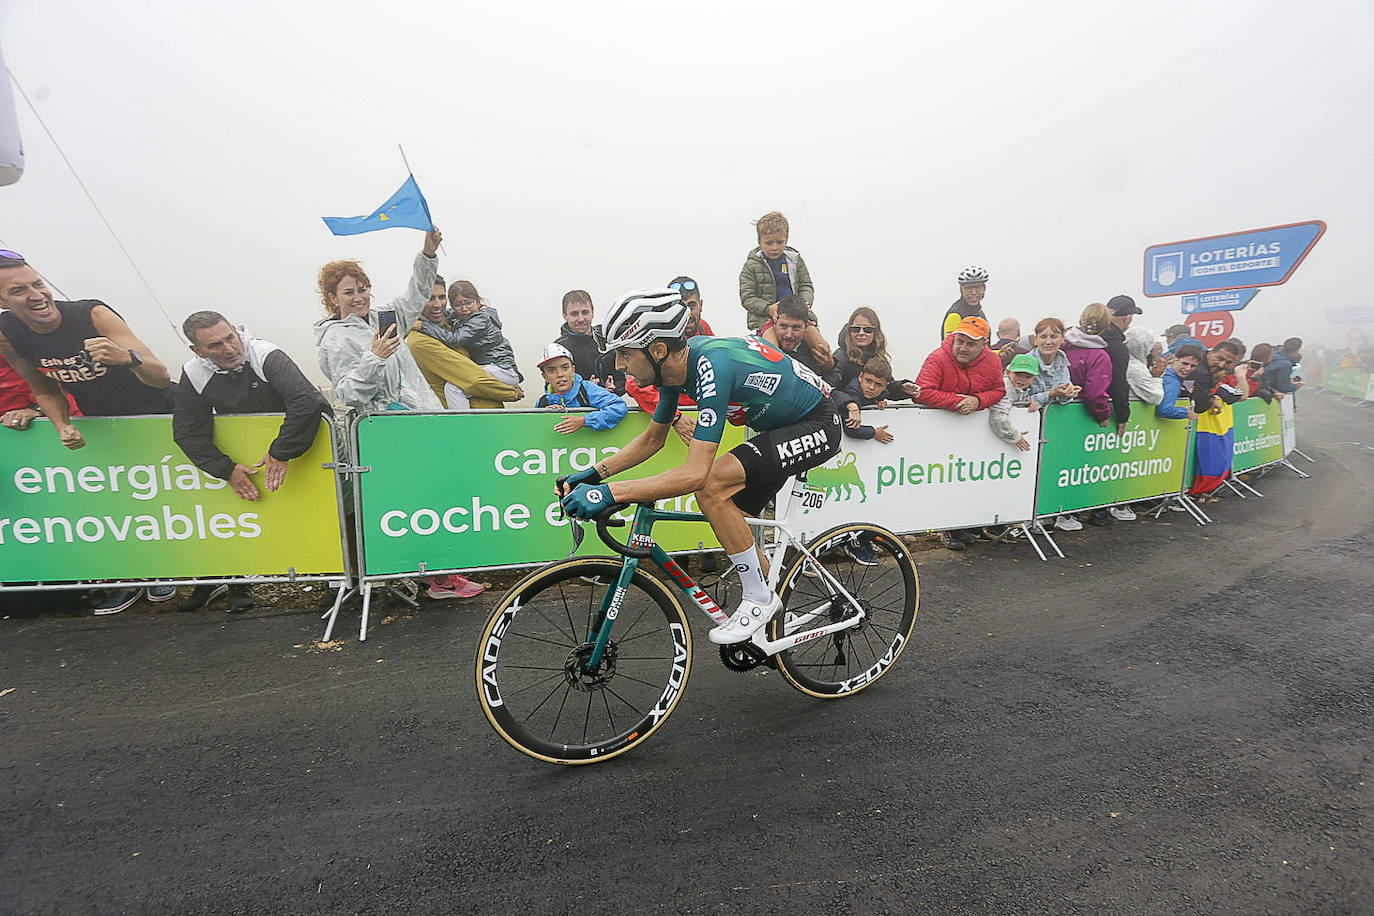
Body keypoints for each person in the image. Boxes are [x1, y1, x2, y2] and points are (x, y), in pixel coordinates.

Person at [558, 288, 841, 646]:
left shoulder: (711, 365)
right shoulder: (674, 372)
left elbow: (694, 474)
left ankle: (760, 599)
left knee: (711, 487)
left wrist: (611, 492)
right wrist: (595, 473)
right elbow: (652, 439)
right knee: (729, 516)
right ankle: (775, 616)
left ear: (657, 350)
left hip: (818, 423)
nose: (619, 366)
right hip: (779, 427)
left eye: (625, 354)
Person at [0, 249, 178, 614]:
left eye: (38, 284)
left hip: (156, 414)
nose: (36, 295)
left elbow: (160, 376)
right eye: (19, 291)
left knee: (170, 500)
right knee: (118, 505)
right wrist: (62, 425)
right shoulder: (8, 331)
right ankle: (127, 578)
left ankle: (178, 573)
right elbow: (43, 386)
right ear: (2, 301)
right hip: (101, 422)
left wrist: (127, 360)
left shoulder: (91, 313)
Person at [171, 311, 335, 613]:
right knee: (241, 517)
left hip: (307, 445)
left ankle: (336, 580)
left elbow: (306, 402)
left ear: (236, 330)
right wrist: (226, 470)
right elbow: (187, 431)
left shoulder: (266, 354)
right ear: (197, 351)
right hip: (251, 460)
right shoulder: (193, 372)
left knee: (323, 513)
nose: (229, 348)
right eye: (215, 346)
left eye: (230, 338)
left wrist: (280, 452)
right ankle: (238, 581)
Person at [313, 228, 445, 414]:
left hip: (426, 413)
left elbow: (417, 295)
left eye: (362, 289)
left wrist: (428, 254)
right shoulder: (335, 339)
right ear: (333, 298)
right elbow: (348, 394)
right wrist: (375, 358)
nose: (358, 297)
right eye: (348, 292)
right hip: (385, 427)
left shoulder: (384, 317)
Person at [914, 315, 1006, 550]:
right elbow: (921, 392)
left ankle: (964, 525)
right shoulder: (938, 357)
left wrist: (977, 400)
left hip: (973, 435)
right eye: (960, 340)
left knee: (968, 480)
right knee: (942, 481)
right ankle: (946, 530)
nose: (963, 347)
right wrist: (956, 402)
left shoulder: (993, 362)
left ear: (983, 345)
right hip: (940, 432)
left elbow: (998, 390)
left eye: (971, 343)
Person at [409, 275, 522, 409]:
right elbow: (473, 380)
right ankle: (461, 421)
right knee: (453, 388)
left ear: (478, 301)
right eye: (430, 298)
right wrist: (512, 393)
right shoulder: (421, 341)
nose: (438, 304)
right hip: (473, 420)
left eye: (441, 297)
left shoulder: (456, 323)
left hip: (491, 402)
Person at [738, 210, 816, 331]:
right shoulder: (751, 266)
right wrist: (768, 308)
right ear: (759, 242)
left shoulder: (795, 260)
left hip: (797, 315)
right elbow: (747, 297)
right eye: (769, 243)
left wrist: (805, 303)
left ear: (786, 239)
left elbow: (806, 285)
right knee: (771, 345)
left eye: (779, 242)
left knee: (818, 341)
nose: (774, 247)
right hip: (766, 319)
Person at [827, 307, 919, 399]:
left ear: (876, 332)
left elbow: (886, 388)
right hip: (844, 411)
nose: (861, 333)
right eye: (856, 329)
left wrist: (902, 388)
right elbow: (829, 390)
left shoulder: (879, 357)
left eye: (868, 330)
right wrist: (850, 404)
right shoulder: (840, 357)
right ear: (849, 331)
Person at [534, 342, 627, 433]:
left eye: (565, 368)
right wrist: (547, 416)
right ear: (544, 376)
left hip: (593, 447)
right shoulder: (542, 402)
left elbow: (619, 406)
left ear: (573, 369)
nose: (560, 374)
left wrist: (584, 421)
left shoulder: (587, 390)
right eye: (551, 370)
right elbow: (537, 430)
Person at [831, 355, 912, 444]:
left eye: (878, 384)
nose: (871, 387)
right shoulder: (852, 391)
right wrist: (874, 433)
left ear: (885, 386)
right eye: (868, 381)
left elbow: (884, 394)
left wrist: (876, 401)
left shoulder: (879, 393)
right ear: (860, 376)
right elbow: (851, 429)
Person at [556, 290, 623, 394]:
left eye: (585, 312)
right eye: (574, 314)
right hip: (575, 409)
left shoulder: (609, 342)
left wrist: (614, 388)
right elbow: (553, 387)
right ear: (565, 315)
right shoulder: (558, 348)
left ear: (592, 312)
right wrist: (586, 390)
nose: (581, 319)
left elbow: (623, 379)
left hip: (610, 405)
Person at [762, 295, 835, 376]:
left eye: (796, 328)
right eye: (783, 326)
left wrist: (830, 366)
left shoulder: (816, 350)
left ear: (806, 326)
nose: (789, 334)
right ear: (774, 324)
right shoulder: (758, 350)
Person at [988, 353, 1041, 453]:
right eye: (1018, 374)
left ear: (1034, 379)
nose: (1022, 379)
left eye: (1027, 376)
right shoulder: (1005, 388)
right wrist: (1015, 436)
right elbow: (998, 417)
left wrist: (1027, 404)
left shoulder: (1019, 389)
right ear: (1008, 372)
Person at [1025, 318, 1080, 408]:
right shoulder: (1025, 363)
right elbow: (1018, 400)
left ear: (1062, 339)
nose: (1048, 342)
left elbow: (1063, 400)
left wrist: (1068, 394)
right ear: (1036, 340)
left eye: (1054, 336)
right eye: (1043, 337)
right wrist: (1051, 394)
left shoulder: (1062, 362)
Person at [1156, 344, 1203, 421]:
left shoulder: (1164, 371)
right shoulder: (1172, 381)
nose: (1188, 368)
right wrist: (1186, 413)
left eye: (1193, 366)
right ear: (1174, 358)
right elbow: (1165, 410)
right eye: (1185, 363)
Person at [940, 266, 989, 339]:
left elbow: (984, 348)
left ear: (984, 289)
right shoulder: (955, 315)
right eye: (968, 288)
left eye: (978, 287)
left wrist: (1001, 350)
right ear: (961, 290)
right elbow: (951, 347)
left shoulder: (979, 313)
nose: (974, 292)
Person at [1124, 325, 1166, 406]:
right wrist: (1157, 377)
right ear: (1145, 346)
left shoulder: (1126, 362)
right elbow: (1156, 398)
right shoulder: (1137, 369)